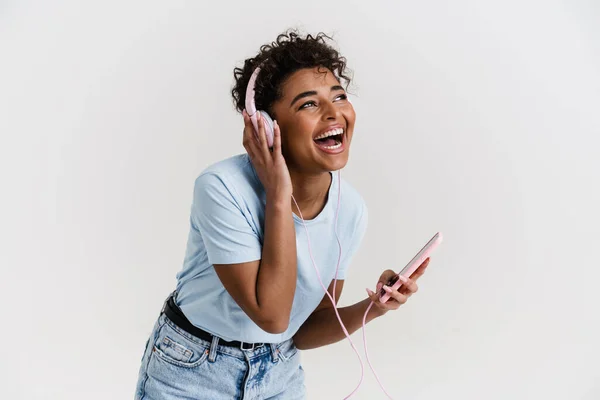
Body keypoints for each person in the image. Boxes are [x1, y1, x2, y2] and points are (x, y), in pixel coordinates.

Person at [134, 29, 430, 400]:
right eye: (309, 104)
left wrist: (374, 307)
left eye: (339, 96)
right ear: (265, 127)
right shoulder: (221, 188)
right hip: (192, 370)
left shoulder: (349, 210)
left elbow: (302, 330)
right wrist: (278, 193)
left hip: (279, 371)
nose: (333, 111)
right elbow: (272, 315)